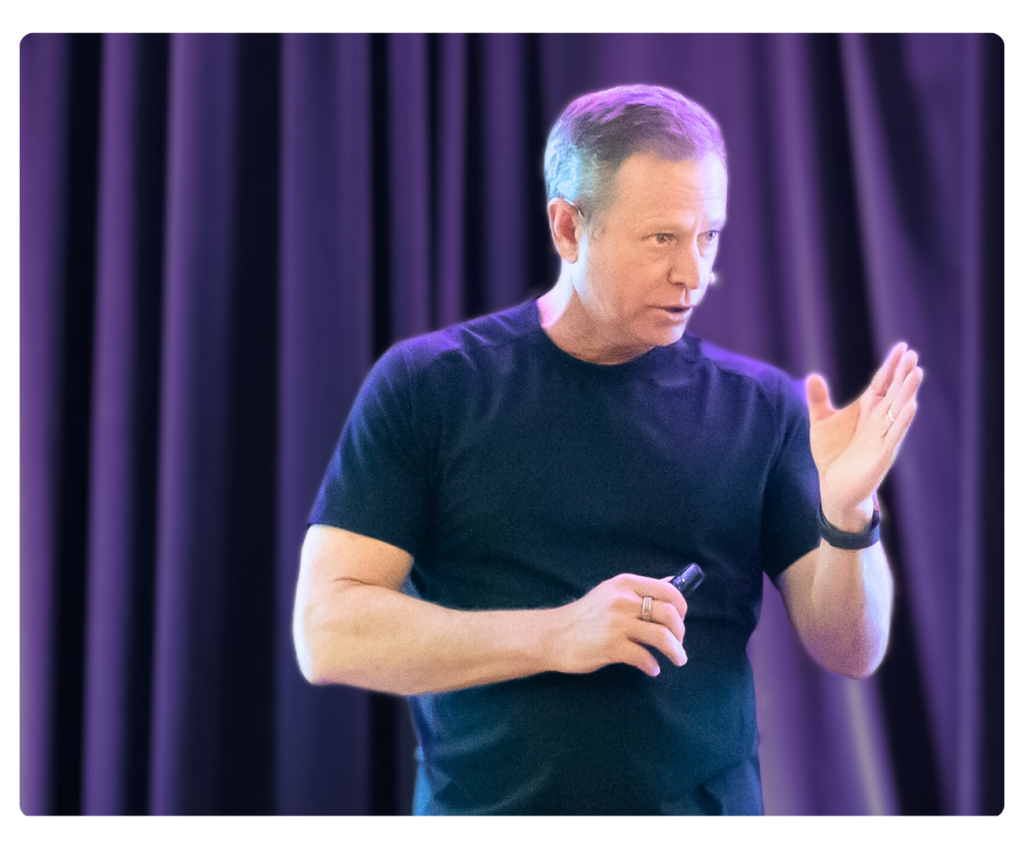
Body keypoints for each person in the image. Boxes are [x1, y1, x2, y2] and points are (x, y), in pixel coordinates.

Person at [293, 84, 922, 816]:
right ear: (568, 228)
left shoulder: (761, 406)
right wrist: (557, 634)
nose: (694, 274)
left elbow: (852, 649)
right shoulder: (429, 386)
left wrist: (848, 513)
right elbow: (326, 630)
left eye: (708, 236)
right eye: (662, 239)